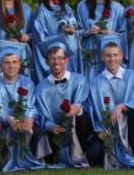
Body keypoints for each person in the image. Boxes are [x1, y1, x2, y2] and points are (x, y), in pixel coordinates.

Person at [88, 34, 134, 168]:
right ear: (102, 57)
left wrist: (122, 106)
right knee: (93, 153)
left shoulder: (133, 76)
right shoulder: (95, 84)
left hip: (129, 126)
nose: (112, 59)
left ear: (121, 55)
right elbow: (92, 111)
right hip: (107, 131)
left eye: (115, 55)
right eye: (108, 55)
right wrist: (100, 131)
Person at [32, 37, 93, 167]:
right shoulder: (40, 88)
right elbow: (39, 114)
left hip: (76, 128)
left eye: (60, 58)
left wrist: (77, 108)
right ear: (46, 62)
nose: (56, 62)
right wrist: (50, 126)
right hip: (55, 132)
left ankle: (81, 153)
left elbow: (88, 106)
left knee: (83, 117)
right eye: (52, 58)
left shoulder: (80, 81)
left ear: (66, 60)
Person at [0, 42, 45, 172]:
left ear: (20, 64)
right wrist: (7, 119)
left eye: (14, 62)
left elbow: (31, 106)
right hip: (3, 125)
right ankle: (3, 160)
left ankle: (31, 157)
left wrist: (29, 119)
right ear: (0, 65)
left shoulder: (27, 82)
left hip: (22, 123)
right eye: (7, 62)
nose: (11, 66)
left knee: (36, 129)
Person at [30, 0, 81, 83]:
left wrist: (79, 31)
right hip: (56, 61)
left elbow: (78, 31)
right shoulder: (41, 13)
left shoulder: (67, 9)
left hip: (72, 58)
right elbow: (40, 41)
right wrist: (62, 33)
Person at [77, 0, 128, 78]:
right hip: (90, 53)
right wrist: (88, 31)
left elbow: (125, 34)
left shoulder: (117, 8)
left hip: (110, 55)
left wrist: (111, 33)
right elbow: (76, 32)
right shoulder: (82, 6)